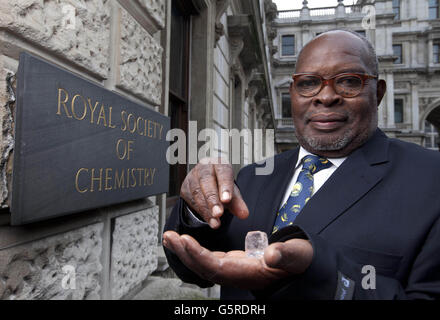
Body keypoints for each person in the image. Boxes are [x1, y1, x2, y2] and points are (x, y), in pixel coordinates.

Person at [162, 30, 440, 300]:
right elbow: (191, 268)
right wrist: (195, 205)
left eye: (348, 81)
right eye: (308, 83)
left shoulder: (430, 180)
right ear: (293, 93)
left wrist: (316, 272)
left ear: (377, 92)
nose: (326, 96)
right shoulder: (252, 176)